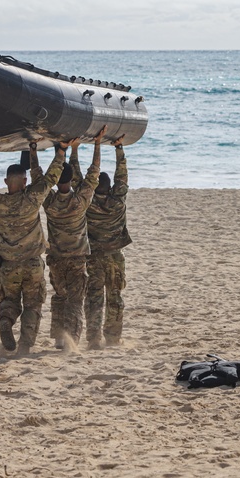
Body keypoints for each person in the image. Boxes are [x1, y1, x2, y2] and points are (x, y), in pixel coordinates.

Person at [0, 140, 70, 354]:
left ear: (6, 181)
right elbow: (51, 177)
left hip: (8, 265)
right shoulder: (32, 199)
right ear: (24, 182)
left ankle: (6, 321)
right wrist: (60, 152)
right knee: (33, 304)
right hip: (32, 264)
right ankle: (25, 345)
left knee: (9, 299)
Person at [45, 127, 105, 349]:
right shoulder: (80, 202)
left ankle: (60, 338)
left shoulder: (48, 202)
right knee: (75, 301)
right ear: (71, 180)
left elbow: (37, 176)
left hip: (56, 259)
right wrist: (97, 144)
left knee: (59, 297)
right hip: (77, 259)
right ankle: (72, 340)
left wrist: (57, 151)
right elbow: (94, 173)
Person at [83, 136, 132, 347]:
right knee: (115, 297)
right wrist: (118, 148)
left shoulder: (88, 202)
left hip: (94, 256)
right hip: (114, 256)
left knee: (94, 297)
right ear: (110, 187)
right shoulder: (117, 201)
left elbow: (78, 178)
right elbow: (122, 176)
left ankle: (93, 337)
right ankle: (113, 337)